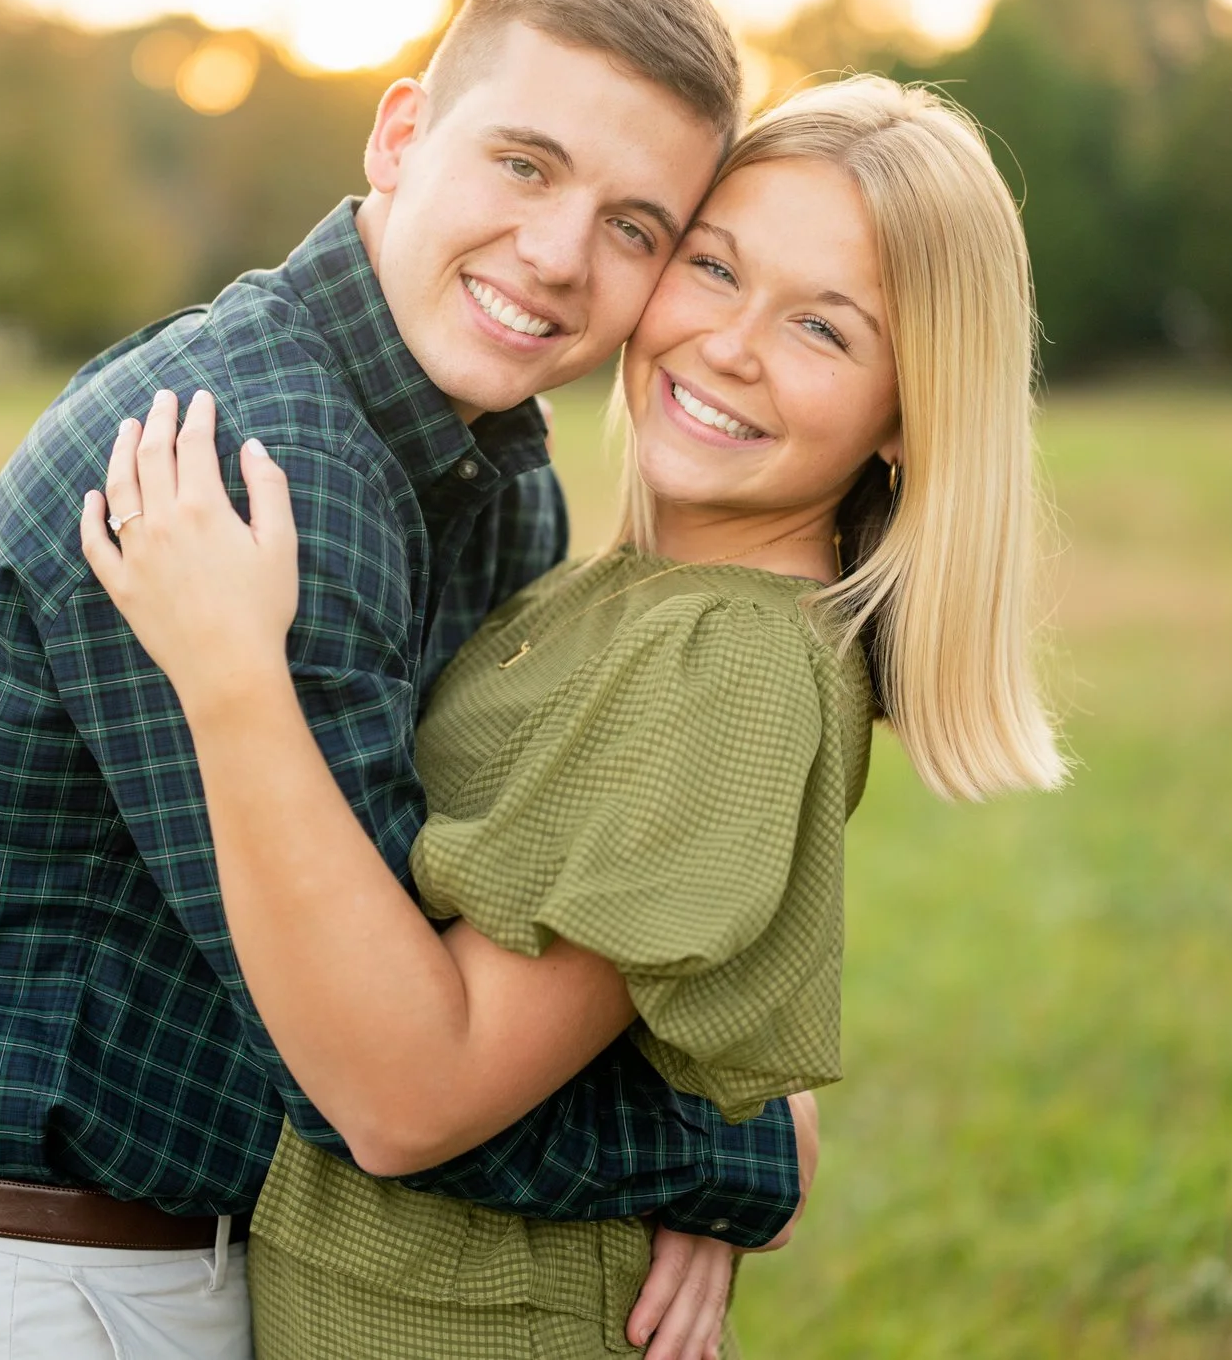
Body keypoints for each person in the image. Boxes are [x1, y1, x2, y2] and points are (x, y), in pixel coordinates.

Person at [0, 0, 811, 1360]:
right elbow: (383, 1068)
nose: (561, 255)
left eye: (636, 226)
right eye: (524, 164)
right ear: (401, 137)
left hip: (163, 1275)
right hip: (23, 1291)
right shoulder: (258, 457)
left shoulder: (491, 480)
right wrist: (729, 1157)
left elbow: (456, 944)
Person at [81, 76, 1069, 1357]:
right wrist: (725, 1155)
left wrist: (227, 676)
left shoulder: (734, 656)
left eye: (823, 331)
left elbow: (410, 1097)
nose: (728, 344)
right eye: (713, 268)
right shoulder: (638, 596)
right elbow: (641, 1013)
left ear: (907, 416)